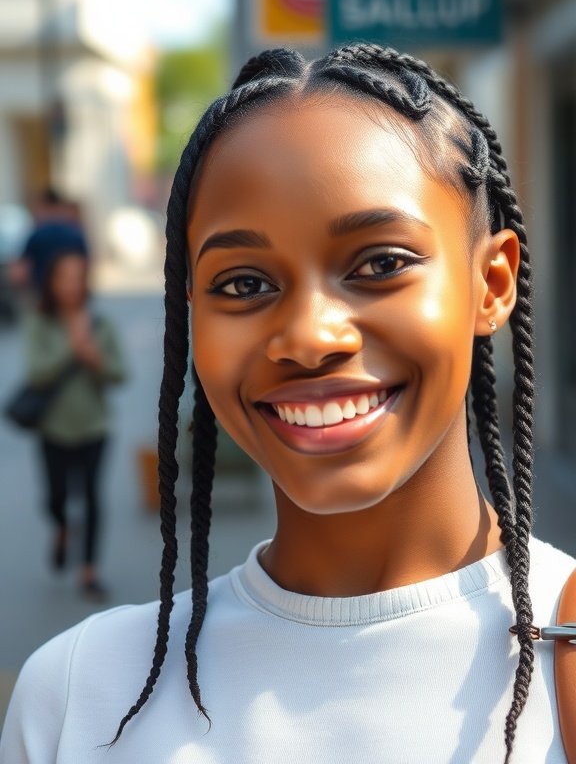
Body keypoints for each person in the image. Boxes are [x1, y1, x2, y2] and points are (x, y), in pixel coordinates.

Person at [1, 44, 575, 763]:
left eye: (381, 264)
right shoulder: (79, 697)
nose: (307, 338)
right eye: (242, 283)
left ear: (491, 284)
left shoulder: (563, 656)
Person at [22, 237, 126, 600]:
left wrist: (96, 360)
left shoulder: (100, 323)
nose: (71, 285)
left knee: (93, 496)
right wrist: (73, 350)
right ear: (52, 282)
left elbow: (120, 374)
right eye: (64, 277)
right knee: (55, 497)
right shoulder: (40, 322)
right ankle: (63, 527)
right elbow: (36, 373)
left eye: (78, 277)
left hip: (95, 426)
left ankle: (89, 571)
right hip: (53, 428)